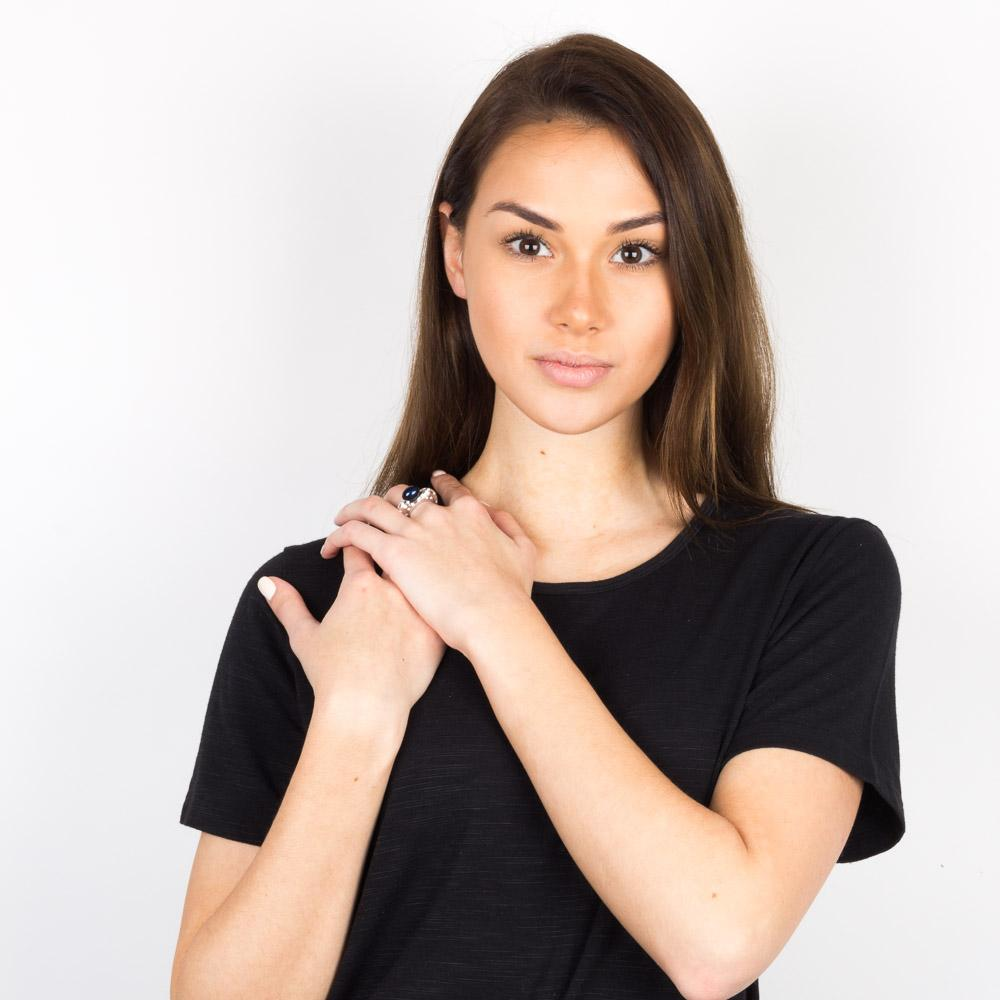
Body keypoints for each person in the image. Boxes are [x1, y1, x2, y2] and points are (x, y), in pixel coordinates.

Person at [172, 31, 904, 1000]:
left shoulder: (810, 576)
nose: (580, 307)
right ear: (454, 252)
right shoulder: (323, 592)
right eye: (529, 242)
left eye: (635, 252)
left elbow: (717, 939)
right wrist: (356, 710)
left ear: (693, 279)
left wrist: (494, 617)